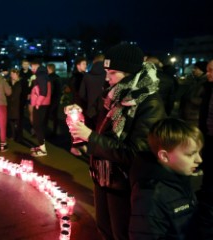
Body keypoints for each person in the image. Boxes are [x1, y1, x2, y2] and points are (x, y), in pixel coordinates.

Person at [69, 43, 166, 240]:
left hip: (125, 183)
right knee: (104, 229)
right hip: (104, 175)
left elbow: (135, 153)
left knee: (120, 232)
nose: (107, 78)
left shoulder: (149, 102)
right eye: (106, 71)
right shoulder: (114, 95)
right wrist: (78, 117)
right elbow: (102, 130)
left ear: (130, 73)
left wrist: (90, 137)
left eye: (112, 72)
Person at [129, 118, 203, 239]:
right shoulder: (150, 195)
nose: (199, 160)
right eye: (190, 154)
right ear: (164, 156)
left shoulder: (180, 179)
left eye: (199, 153)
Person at [197, 59, 213, 239]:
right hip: (208, 136)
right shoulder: (208, 88)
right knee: (207, 169)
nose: (207, 74)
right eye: (207, 70)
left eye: (210, 71)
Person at [30, 59, 51, 157]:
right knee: (38, 125)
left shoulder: (41, 76)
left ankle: (43, 149)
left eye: (33, 67)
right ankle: (41, 145)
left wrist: (37, 103)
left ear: (37, 66)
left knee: (37, 125)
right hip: (43, 104)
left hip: (41, 105)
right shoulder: (43, 75)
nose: (32, 69)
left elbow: (43, 92)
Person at [69, 56, 87, 156]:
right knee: (75, 125)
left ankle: (81, 144)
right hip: (76, 104)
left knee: (81, 125)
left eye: (86, 64)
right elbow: (76, 92)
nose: (85, 66)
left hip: (82, 104)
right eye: (83, 64)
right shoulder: (76, 77)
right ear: (78, 66)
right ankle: (74, 146)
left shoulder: (83, 75)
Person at [179, 61, 207, 126]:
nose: (193, 70)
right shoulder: (196, 81)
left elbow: (205, 101)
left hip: (195, 118)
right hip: (189, 117)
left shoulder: (205, 83)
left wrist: (191, 99)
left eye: (196, 68)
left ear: (202, 70)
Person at [7, 68, 22, 142]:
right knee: (11, 120)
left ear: (17, 74)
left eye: (13, 74)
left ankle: (17, 136)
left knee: (17, 120)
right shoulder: (9, 82)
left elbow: (19, 94)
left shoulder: (20, 83)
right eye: (11, 74)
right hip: (10, 104)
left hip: (17, 104)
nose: (12, 75)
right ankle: (13, 135)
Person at [46, 63, 61, 137]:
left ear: (49, 69)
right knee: (55, 116)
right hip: (57, 99)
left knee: (49, 115)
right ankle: (55, 130)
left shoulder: (50, 78)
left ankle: (51, 131)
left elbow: (50, 90)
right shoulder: (57, 77)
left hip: (51, 99)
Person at [19, 59, 34, 135]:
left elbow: (34, 85)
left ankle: (32, 128)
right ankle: (19, 127)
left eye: (27, 64)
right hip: (20, 95)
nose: (25, 65)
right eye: (24, 64)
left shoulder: (31, 74)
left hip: (29, 96)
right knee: (20, 112)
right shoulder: (19, 73)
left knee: (31, 112)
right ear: (21, 65)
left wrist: (31, 93)